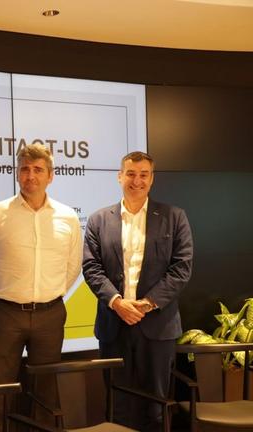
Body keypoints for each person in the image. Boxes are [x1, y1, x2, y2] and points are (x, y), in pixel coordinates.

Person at [83, 151, 192, 431]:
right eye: (131, 174)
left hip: (157, 326)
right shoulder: (98, 220)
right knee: (116, 405)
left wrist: (147, 304)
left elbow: (181, 268)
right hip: (113, 325)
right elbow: (91, 268)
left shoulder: (174, 217)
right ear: (119, 177)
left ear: (152, 179)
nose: (137, 180)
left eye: (144, 175)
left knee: (156, 408)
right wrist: (117, 302)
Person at [0, 143, 82, 432]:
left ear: (51, 175)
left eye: (38, 169)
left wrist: (49, 294)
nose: (30, 175)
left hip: (50, 314)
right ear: (17, 173)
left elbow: (73, 266)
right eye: (25, 169)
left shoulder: (67, 216)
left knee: (46, 390)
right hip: (7, 314)